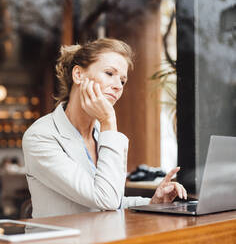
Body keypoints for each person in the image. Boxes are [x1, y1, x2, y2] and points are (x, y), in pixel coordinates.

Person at [22, 38, 187, 218]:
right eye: (109, 73)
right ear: (78, 75)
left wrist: (153, 202)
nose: (118, 86)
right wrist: (109, 121)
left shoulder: (102, 134)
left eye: (123, 81)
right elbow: (105, 199)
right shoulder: (41, 136)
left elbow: (113, 199)